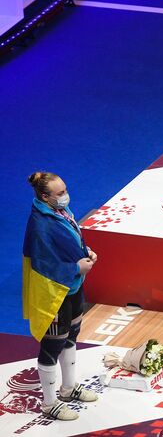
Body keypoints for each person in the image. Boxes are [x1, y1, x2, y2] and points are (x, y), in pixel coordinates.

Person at [23, 172, 98, 421]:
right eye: (59, 193)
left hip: (72, 287)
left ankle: (68, 388)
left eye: (65, 190)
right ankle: (49, 402)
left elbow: (69, 241)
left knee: (71, 336)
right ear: (45, 197)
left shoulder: (60, 213)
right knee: (52, 345)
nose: (66, 196)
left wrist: (85, 251)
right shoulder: (40, 224)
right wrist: (77, 267)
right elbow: (43, 264)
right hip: (53, 292)